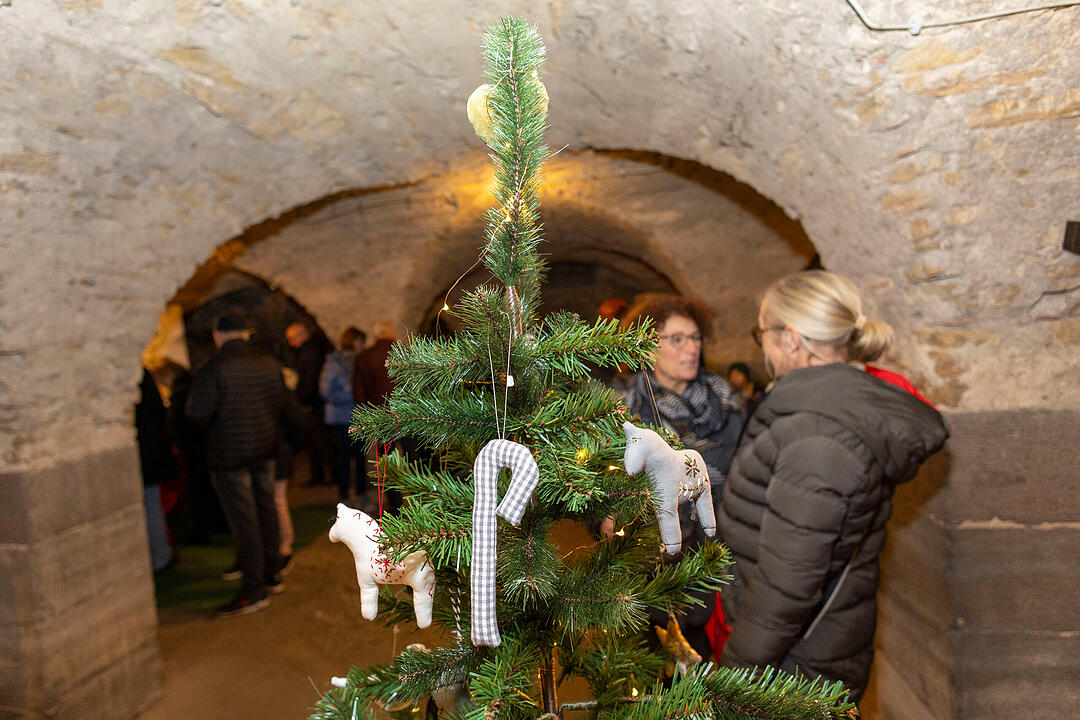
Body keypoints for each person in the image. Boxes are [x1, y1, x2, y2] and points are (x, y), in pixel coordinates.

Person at [717, 270, 948, 702]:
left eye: (761, 332)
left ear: (790, 339)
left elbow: (788, 585)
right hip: (797, 649)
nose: (761, 347)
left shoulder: (819, 438)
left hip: (797, 664)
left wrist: (730, 682)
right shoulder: (814, 413)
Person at [614, 294, 744, 660]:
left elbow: (745, 472)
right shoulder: (624, 407)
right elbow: (600, 480)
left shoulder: (726, 400)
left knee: (709, 668)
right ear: (648, 345)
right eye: (676, 339)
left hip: (716, 555)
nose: (691, 349)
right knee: (652, 667)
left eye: (695, 338)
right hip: (647, 562)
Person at [187, 312, 297, 617]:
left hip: (229, 455)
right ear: (245, 334)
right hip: (266, 449)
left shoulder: (213, 368)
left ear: (218, 335)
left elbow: (197, 414)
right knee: (266, 511)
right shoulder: (268, 363)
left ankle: (253, 590)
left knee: (244, 521)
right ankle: (272, 574)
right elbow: (285, 406)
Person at [353, 321, 400, 511]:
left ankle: (394, 504)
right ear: (391, 333)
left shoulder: (365, 357)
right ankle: (422, 503)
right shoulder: (403, 353)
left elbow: (359, 391)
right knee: (414, 458)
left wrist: (369, 415)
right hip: (410, 414)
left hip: (381, 416)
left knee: (386, 460)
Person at [321, 326, 368, 506]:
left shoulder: (360, 360)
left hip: (359, 416)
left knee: (360, 458)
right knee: (344, 458)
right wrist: (352, 396)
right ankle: (344, 496)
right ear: (356, 341)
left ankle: (361, 494)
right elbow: (325, 391)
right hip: (342, 418)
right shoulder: (335, 361)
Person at [286, 321, 330, 486]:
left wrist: (302, 399)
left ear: (302, 335)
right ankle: (321, 474)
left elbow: (309, 379)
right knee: (315, 441)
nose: (291, 343)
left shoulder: (309, 352)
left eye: (292, 338)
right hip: (313, 402)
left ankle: (326, 475)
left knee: (319, 440)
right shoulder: (309, 350)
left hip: (313, 404)